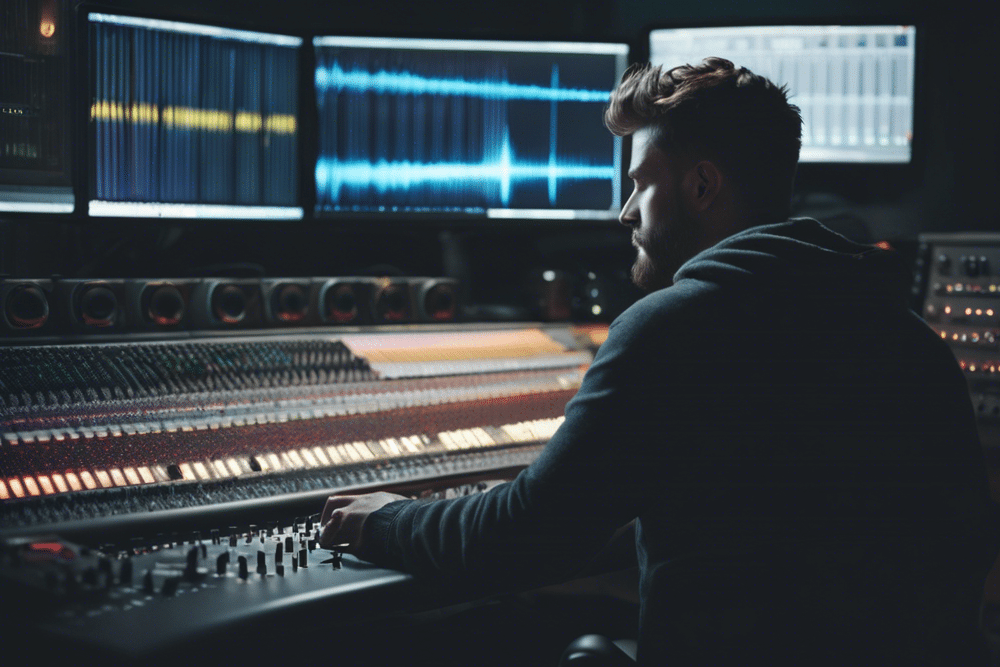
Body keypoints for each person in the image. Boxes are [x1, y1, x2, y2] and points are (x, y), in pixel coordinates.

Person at [319, 59, 998, 665]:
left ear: (702, 185)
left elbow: (528, 535)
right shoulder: (912, 339)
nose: (624, 213)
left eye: (641, 183)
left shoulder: (674, 327)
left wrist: (383, 519)